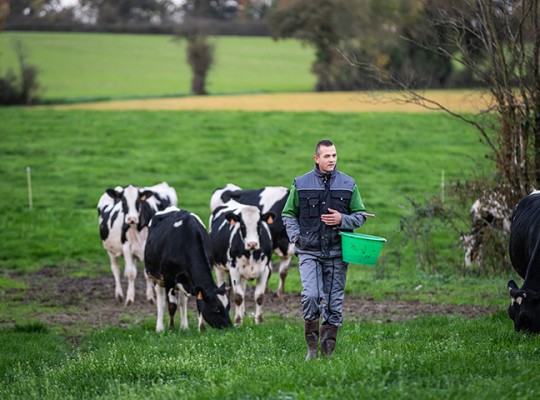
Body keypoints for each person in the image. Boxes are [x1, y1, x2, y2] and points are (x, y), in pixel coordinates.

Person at [282, 139, 367, 360]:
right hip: (309, 251)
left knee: (333, 303)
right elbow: (288, 214)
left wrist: (342, 219)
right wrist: (297, 237)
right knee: (311, 296)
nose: (331, 160)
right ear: (316, 158)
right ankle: (311, 348)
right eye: (327, 156)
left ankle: (327, 351)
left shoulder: (349, 184)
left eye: (334, 155)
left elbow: (360, 216)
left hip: (338, 252)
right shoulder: (301, 184)